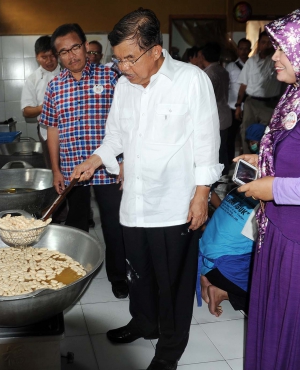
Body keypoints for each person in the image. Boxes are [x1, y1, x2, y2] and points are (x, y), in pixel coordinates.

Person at [71, 9, 222, 370]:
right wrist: (95, 160)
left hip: (174, 204)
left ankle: (170, 347)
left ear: (155, 50)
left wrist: (202, 194)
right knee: (138, 272)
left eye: (129, 58)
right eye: (117, 58)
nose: (122, 67)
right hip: (135, 203)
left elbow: (207, 142)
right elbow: (115, 137)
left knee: (172, 281)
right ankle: (143, 321)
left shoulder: (190, 80)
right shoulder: (124, 86)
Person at [235, 3, 300, 369]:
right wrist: (261, 162)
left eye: (283, 48)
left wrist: (275, 189)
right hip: (284, 233)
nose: (274, 56)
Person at [40, 23, 128, 299]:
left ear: (86, 46)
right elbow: (52, 130)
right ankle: (76, 275)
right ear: (57, 56)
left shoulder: (110, 76)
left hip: (108, 167)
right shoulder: (55, 87)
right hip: (72, 170)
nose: (71, 55)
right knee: (76, 225)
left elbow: (128, 121)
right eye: (63, 52)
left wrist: (127, 163)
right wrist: (56, 170)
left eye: (75, 47)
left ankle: (118, 276)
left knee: (114, 225)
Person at [198, 188, 259, 317]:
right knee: (268, 297)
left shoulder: (239, 189)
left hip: (204, 258)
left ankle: (208, 280)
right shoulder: (265, 207)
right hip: (222, 268)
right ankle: (223, 293)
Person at [235, 31, 282, 153]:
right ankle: (246, 160)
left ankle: (264, 161)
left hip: (269, 104)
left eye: (268, 42)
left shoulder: (277, 61)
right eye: (263, 42)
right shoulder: (251, 61)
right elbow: (243, 84)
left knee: (267, 132)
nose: (266, 45)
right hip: (251, 102)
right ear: (258, 44)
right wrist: (238, 105)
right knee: (245, 130)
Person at [20, 35, 60, 168]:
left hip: (71, 129)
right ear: (37, 57)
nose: (49, 60)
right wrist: (46, 107)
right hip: (46, 130)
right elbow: (26, 111)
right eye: (44, 57)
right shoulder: (33, 79)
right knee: (54, 168)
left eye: (53, 55)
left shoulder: (68, 73)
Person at [198, 42, 231, 171]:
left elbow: (203, 97)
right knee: (222, 149)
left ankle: (219, 180)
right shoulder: (223, 70)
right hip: (224, 113)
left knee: (215, 151)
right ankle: (224, 176)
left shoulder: (209, 74)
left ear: (203, 56)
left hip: (215, 116)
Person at [226, 39, 252, 161]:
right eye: (241, 48)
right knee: (230, 136)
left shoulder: (253, 65)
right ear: (237, 50)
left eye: (246, 49)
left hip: (249, 106)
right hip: (232, 106)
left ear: (250, 50)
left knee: (248, 136)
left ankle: (246, 161)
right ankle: (230, 161)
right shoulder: (230, 67)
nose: (243, 51)